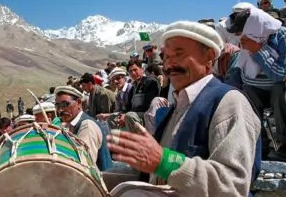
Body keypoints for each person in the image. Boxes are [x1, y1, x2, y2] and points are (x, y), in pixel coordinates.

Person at [107, 21, 261, 197]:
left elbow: (233, 185)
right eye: (166, 57)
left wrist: (163, 161)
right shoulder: (178, 106)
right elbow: (154, 177)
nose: (169, 65)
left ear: (209, 57)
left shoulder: (229, 102)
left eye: (179, 54)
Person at [227, 6, 286, 160]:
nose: (240, 37)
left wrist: (258, 51)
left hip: (280, 88)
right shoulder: (251, 39)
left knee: (278, 90)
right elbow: (246, 76)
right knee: (247, 93)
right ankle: (258, 146)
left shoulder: (283, 37)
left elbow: (281, 75)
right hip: (258, 87)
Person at [54, 85, 112, 171]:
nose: (60, 110)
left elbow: (84, 165)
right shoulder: (69, 125)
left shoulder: (87, 126)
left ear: (79, 103)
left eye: (65, 104)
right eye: (58, 106)